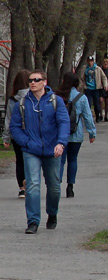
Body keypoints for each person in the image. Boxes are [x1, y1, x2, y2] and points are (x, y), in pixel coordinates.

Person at [9, 69, 68, 234]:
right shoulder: (23, 102)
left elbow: (63, 123)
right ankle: (33, 221)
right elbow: (14, 127)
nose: (32, 83)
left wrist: (61, 143)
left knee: (54, 186)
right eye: (30, 80)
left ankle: (52, 213)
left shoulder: (55, 101)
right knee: (33, 185)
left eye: (36, 80)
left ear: (44, 82)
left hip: (52, 149)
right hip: (31, 150)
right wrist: (26, 142)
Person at [56, 72, 95, 199]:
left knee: (60, 161)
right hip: (76, 133)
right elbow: (87, 117)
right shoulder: (81, 98)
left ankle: (57, 185)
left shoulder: (57, 97)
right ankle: (70, 186)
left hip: (60, 134)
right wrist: (91, 133)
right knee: (73, 159)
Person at [4, 69, 30, 199]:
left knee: (19, 160)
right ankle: (30, 183)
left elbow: (8, 119)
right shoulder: (33, 97)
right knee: (31, 159)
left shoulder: (12, 100)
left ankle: (21, 188)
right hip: (31, 134)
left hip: (16, 134)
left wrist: (6, 137)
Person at [81, 56, 108, 123]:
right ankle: (89, 118)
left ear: (93, 61)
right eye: (89, 61)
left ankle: (97, 116)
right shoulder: (85, 69)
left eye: (91, 61)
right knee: (88, 104)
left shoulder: (97, 68)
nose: (90, 62)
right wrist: (83, 85)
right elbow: (82, 78)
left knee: (96, 104)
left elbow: (104, 77)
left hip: (96, 88)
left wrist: (105, 85)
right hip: (88, 88)